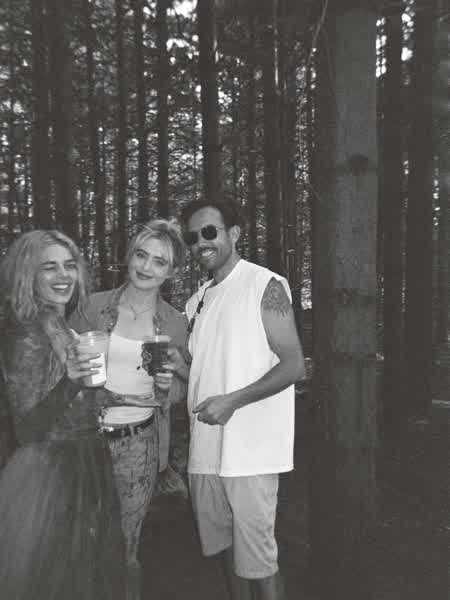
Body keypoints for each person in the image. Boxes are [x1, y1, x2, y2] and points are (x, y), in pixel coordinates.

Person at [180, 199, 306, 600]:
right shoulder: (197, 301)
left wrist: (233, 400)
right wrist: (177, 368)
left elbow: (294, 366)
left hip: (250, 452)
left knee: (259, 561)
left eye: (209, 232)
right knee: (225, 551)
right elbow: (205, 373)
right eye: (193, 236)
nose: (201, 242)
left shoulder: (264, 285)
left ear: (234, 234)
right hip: (205, 450)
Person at [0, 230, 126, 600]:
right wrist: (72, 381)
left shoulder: (56, 322)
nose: (63, 275)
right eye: (49, 267)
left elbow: (71, 401)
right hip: (51, 476)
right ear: (28, 275)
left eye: (69, 265)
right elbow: (27, 429)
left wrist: (125, 397)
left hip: (84, 463)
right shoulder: (26, 332)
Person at [69, 218, 189, 600]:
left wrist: (168, 386)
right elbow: (62, 369)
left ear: (171, 272)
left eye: (159, 261)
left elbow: (181, 390)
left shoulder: (174, 322)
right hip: (86, 440)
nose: (146, 267)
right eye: (141, 255)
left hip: (139, 443)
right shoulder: (92, 307)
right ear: (129, 256)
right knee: (82, 533)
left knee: (126, 542)